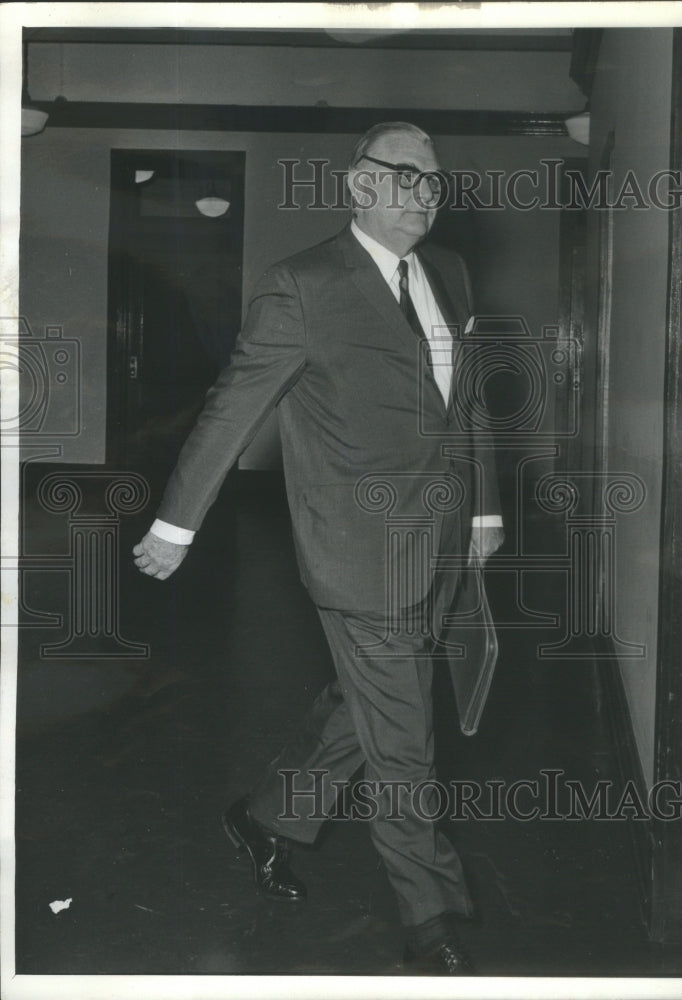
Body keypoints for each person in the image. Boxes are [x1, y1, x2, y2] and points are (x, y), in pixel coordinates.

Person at [133, 121, 504, 975]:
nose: (423, 193)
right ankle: (431, 914)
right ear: (358, 184)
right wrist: (174, 525)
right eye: (404, 175)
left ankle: (267, 816)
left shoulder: (449, 273)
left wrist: (483, 509)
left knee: (369, 703)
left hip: (440, 538)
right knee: (404, 734)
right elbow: (234, 405)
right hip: (357, 549)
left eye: (432, 180)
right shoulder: (302, 285)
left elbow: (467, 400)